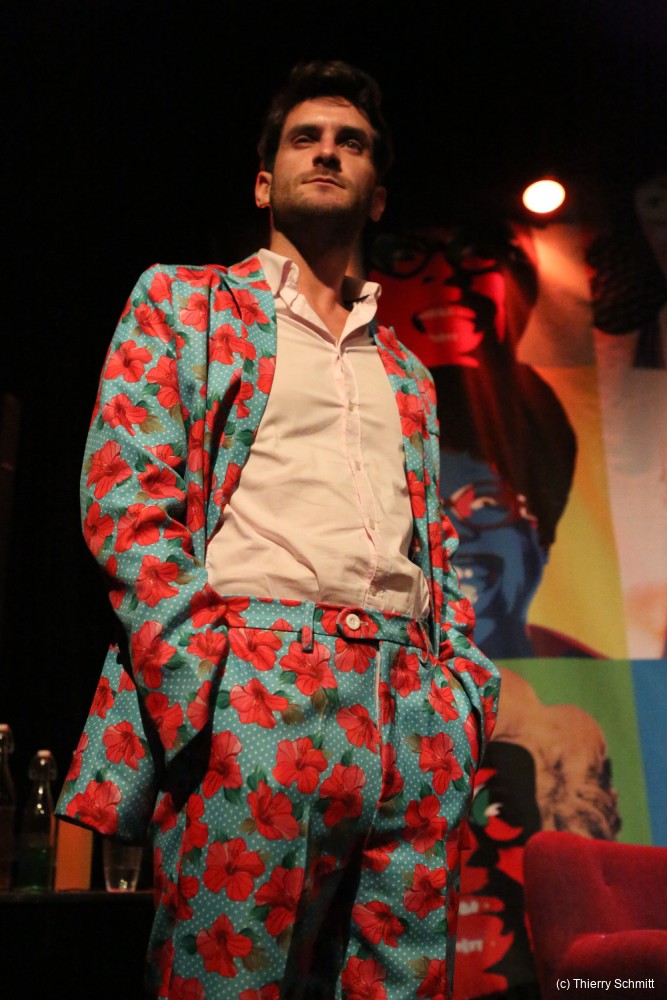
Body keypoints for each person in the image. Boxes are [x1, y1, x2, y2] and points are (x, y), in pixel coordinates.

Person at [56, 61, 499, 1000]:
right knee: (227, 982)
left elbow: (432, 545)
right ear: (264, 183)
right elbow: (127, 492)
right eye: (306, 139)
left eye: (352, 143)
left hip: (411, 705)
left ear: (378, 195)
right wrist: (199, 679)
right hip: (254, 682)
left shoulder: (408, 374)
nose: (328, 153)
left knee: (401, 986)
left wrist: (460, 695)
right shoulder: (185, 303)